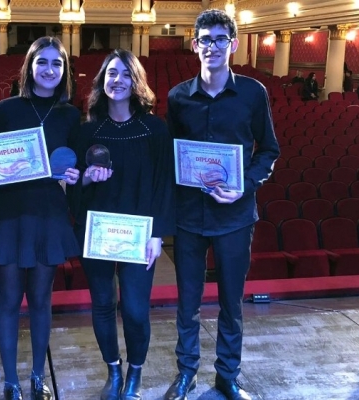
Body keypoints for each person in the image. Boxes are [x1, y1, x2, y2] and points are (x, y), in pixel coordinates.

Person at [164, 9, 279, 400]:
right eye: (204, 40)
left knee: (232, 302)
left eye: (219, 39)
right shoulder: (178, 97)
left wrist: (243, 186)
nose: (211, 46)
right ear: (194, 45)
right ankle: (186, 373)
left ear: (233, 44)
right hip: (189, 216)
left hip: (235, 216)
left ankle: (227, 375)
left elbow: (269, 150)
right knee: (188, 303)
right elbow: (172, 155)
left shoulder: (252, 93)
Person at [0, 36, 81, 400]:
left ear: (64, 70)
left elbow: (74, 164)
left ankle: (38, 376)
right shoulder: (5, 109)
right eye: (43, 62)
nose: (50, 70)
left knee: (40, 300)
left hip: (48, 215)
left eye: (57, 63)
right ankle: (11, 381)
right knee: (8, 301)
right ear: (29, 67)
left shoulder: (71, 114)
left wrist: (75, 175)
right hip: (8, 214)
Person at [74, 49, 175, 400]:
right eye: (111, 74)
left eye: (125, 74)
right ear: (101, 81)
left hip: (139, 235)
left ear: (136, 82)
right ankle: (113, 370)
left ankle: (135, 372)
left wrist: (158, 235)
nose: (117, 80)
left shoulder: (154, 129)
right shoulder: (88, 131)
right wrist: (88, 177)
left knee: (134, 309)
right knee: (103, 304)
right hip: (97, 233)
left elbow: (164, 184)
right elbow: (75, 186)